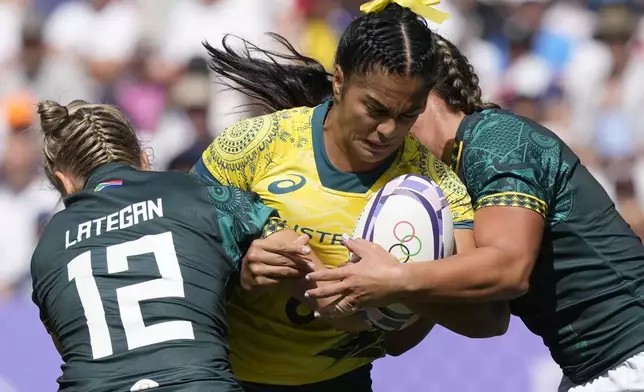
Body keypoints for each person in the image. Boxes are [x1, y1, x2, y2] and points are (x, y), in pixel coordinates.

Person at [191, 2, 510, 391]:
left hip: (342, 381)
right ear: (339, 81)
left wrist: (398, 285)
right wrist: (240, 267)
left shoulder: (436, 190)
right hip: (223, 377)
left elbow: (488, 320)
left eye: (409, 115)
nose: (388, 131)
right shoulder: (252, 146)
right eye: (375, 110)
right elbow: (178, 257)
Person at [304, 30, 644, 392]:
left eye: (391, 109)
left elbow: (509, 269)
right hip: (594, 370)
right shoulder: (442, 191)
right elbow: (481, 320)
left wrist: (393, 279)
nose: (382, 132)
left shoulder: (495, 139)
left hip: (631, 359)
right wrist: (356, 294)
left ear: (421, 94)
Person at [30, 99, 304, 392]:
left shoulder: (48, 245)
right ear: (145, 161)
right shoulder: (196, 194)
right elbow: (293, 248)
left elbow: (71, 345)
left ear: (64, 183)